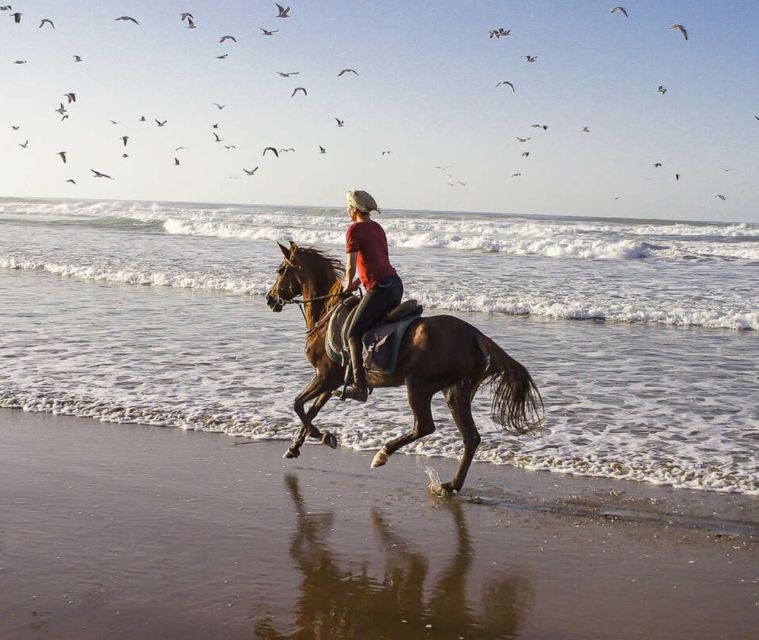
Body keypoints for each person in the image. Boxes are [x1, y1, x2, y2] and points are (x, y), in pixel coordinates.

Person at [339, 190, 403, 401]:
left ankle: (359, 386)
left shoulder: (354, 229)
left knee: (351, 333)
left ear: (354, 209)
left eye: (348, 207)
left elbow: (350, 265)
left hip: (380, 289)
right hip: (394, 284)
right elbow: (378, 261)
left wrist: (348, 285)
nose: (348, 211)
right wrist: (360, 281)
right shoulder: (377, 228)